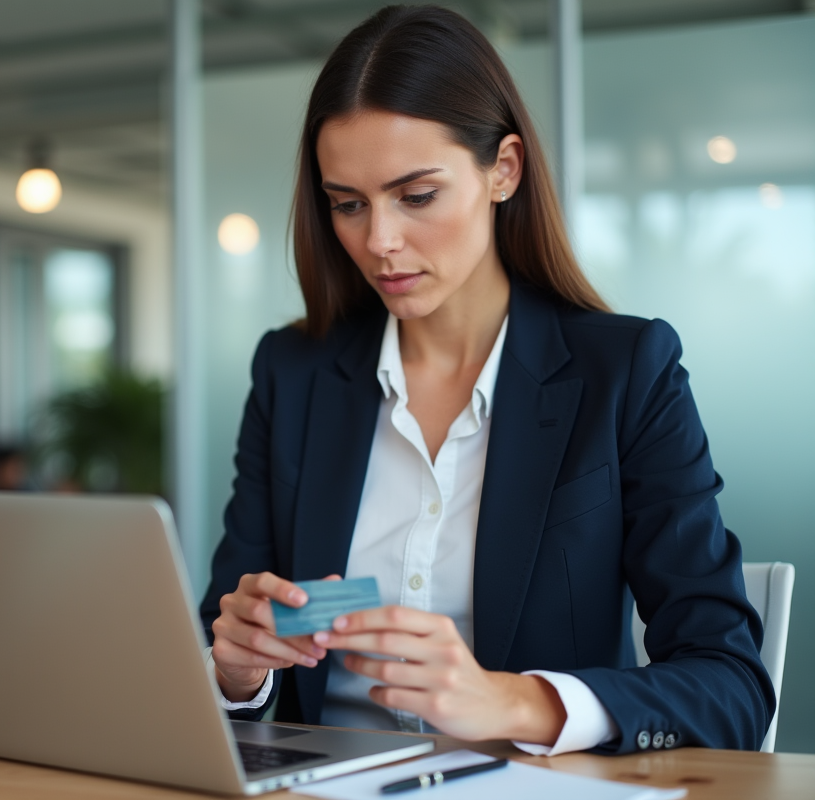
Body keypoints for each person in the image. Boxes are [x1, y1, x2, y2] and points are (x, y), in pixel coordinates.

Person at [199, 5, 773, 756]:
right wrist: (237, 672)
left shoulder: (624, 373)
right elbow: (230, 649)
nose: (379, 242)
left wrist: (511, 700)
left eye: (417, 195)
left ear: (503, 170)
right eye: (347, 204)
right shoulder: (294, 373)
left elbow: (729, 686)